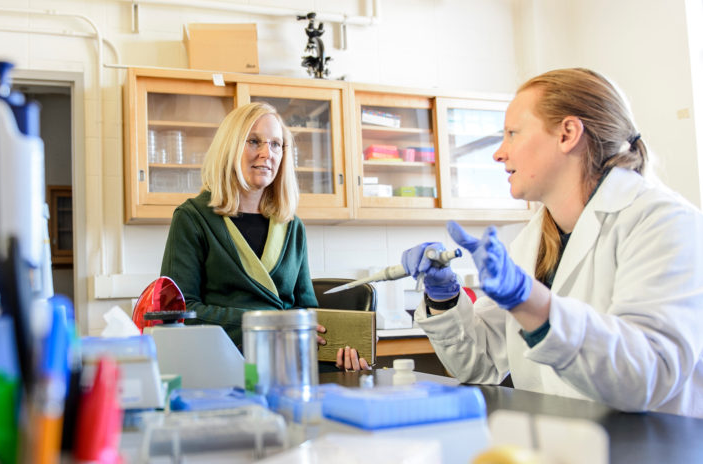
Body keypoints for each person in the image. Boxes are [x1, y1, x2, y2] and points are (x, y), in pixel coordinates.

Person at [402, 68, 703, 417]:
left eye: (512, 133)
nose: (499, 153)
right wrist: (445, 299)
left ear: (568, 134)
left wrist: (534, 304)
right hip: (566, 449)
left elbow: (650, 376)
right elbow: (482, 363)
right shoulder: (535, 237)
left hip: (651, 458)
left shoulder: (662, 221)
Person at [160, 102, 370, 371]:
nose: (266, 153)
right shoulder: (193, 218)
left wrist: (339, 354)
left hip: (287, 369)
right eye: (253, 141)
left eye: (275, 144)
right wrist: (269, 325)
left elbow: (306, 314)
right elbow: (178, 311)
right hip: (219, 369)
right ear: (230, 147)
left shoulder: (292, 226)